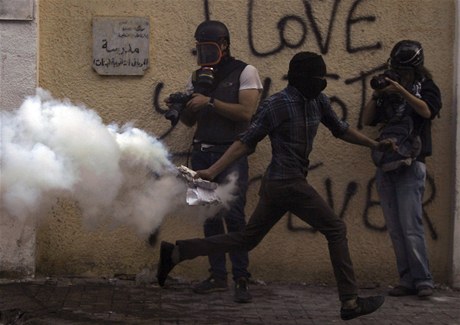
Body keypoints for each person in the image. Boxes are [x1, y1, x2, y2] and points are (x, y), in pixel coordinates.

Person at [158, 51, 390, 321]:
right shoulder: (277, 104)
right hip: (286, 182)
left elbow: (340, 129)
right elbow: (245, 141)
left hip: (281, 186)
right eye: (317, 77)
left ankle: (176, 252)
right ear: (300, 78)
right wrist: (212, 170)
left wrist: (374, 144)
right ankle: (350, 301)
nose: (321, 83)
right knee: (336, 229)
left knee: (247, 239)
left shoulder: (318, 101)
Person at [167, 20, 263, 303]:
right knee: (209, 217)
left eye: (208, 47)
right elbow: (188, 122)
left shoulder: (245, 72)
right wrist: (184, 106)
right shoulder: (197, 77)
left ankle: (241, 277)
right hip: (202, 152)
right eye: (200, 48)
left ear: (223, 44)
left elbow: (246, 113)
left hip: (230, 153)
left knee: (234, 217)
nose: (204, 53)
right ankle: (217, 276)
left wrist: (209, 102)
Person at [363, 40, 442, 298]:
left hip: (412, 163)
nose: (399, 74)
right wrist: (378, 94)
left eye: (403, 71)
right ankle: (406, 280)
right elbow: (365, 120)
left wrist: (403, 90)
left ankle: (423, 280)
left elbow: (427, 111)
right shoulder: (388, 89)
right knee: (396, 228)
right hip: (387, 161)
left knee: (411, 226)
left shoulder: (427, 87)